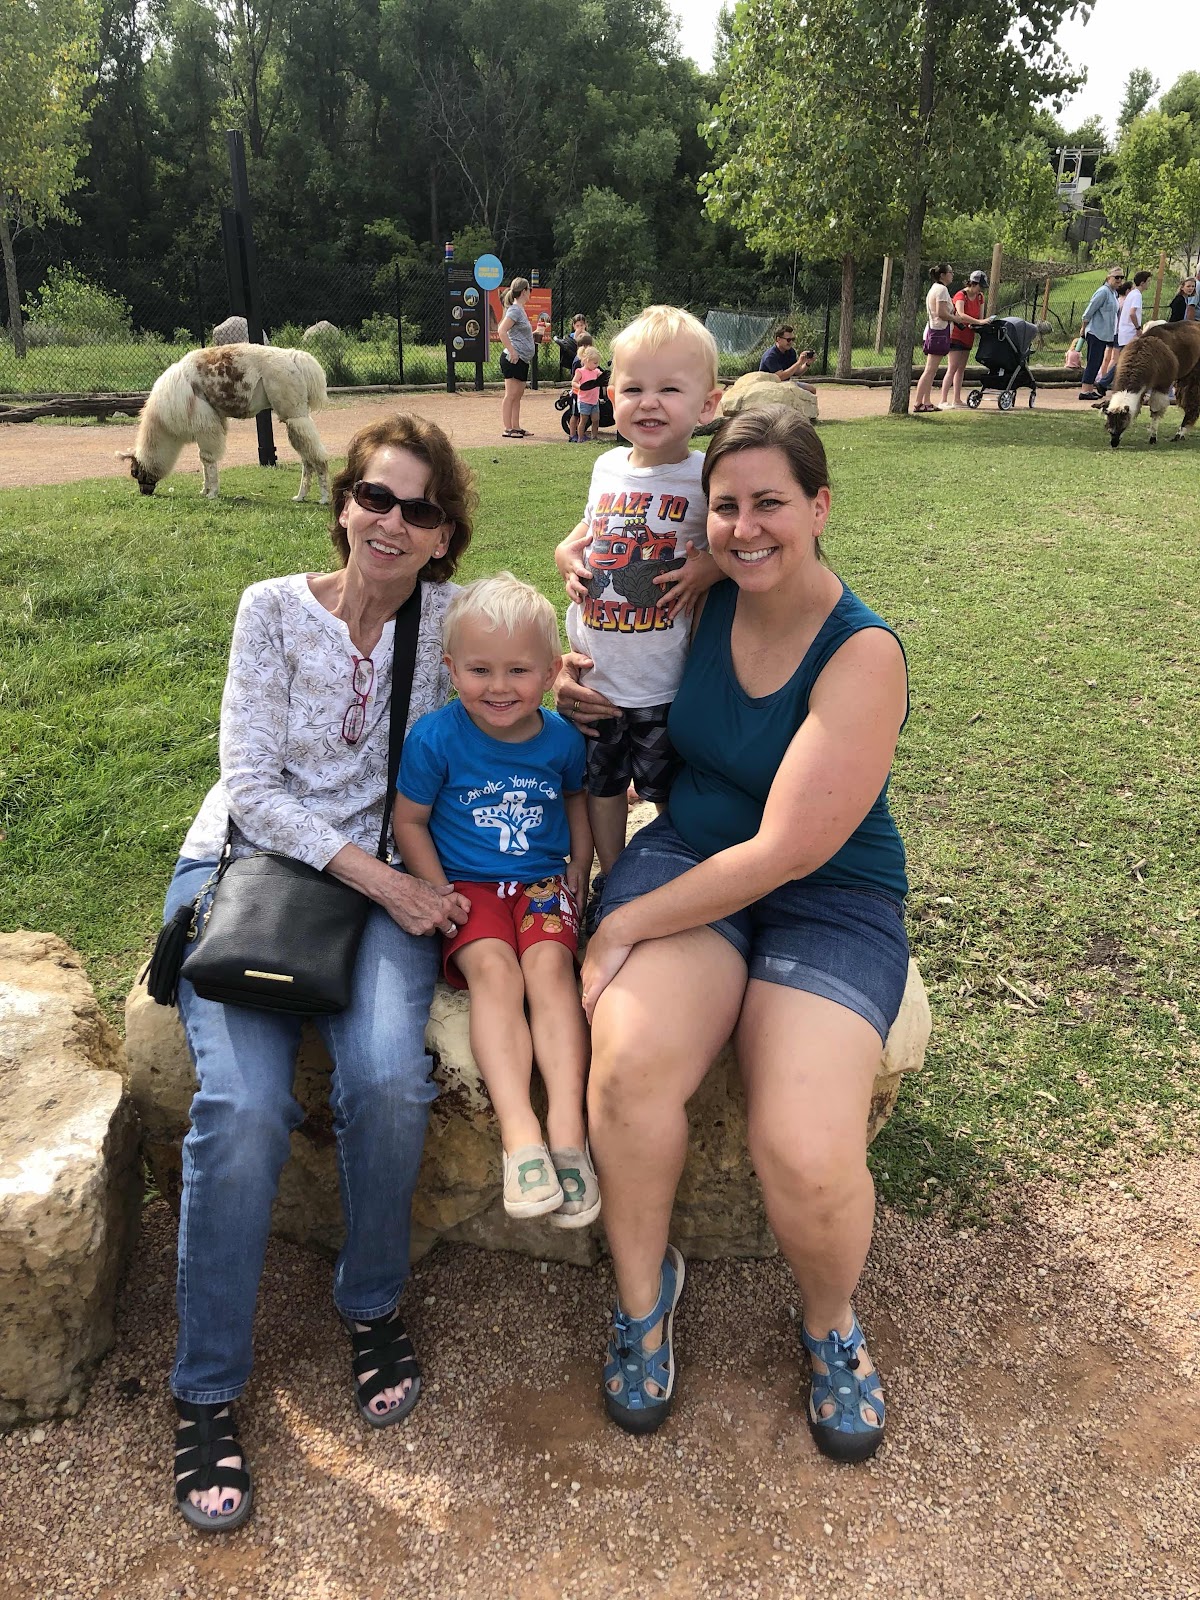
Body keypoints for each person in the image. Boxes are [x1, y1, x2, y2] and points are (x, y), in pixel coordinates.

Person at [559, 405, 910, 1464]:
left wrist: (620, 923)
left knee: (801, 1145)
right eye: (726, 507)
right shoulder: (703, 594)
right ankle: (642, 1295)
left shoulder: (862, 652)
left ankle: (830, 1322)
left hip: (826, 890)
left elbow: (787, 852)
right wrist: (579, 681)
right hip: (694, 847)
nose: (746, 527)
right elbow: (602, 617)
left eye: (771, 504)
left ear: (821, 506)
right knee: (629, 1067)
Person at [161, 413, 476, 1532]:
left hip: (383, 879)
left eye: (419, 509)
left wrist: (571, 684)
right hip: (256, 869)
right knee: (243, 1106)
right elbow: (251, 785)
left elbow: (526, 667)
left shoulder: (450, 623)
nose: (391, 522)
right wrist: (384, 882)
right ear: (344, 503)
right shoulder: (271, 608)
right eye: (374, 496)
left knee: (387, 1079)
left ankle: (371, 1299)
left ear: (444, 537)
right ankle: (206, 1385)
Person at [392, 574, 600, 1228]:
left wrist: (580, 861)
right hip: (469, 888)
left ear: (550, 670)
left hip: (541, 885)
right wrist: (437, 889)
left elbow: (574, 796)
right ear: (451, 667)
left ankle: (567, 1132)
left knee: (550, 972)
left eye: (518, 670)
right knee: (495, 974)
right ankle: (521, 1137)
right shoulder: (435, 738)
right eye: (480, 670)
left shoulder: (561, 740)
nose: (499, 687)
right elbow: (409, 821)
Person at [554, 305, 723, 928]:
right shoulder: (605, 466)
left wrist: (708, 570)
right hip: (598, 676)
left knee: (667, 787)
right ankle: (614, 873)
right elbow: (586, 533)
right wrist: (563, 553)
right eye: (633, 389)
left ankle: (673, 877)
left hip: (663, 680)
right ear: (610, 394)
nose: (648, 403)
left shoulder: (704, 474)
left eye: (670, 389)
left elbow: (733, 547)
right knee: (601, 786)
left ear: (707, 404)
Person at [913, 264, 986, 412]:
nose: (952, 275)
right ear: (942, 275)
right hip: (937, 332)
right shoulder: (941, 290)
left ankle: (926, 402)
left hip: (938, 331)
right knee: (929, 370)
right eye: (950, 272)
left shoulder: (937, 288)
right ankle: (918, 403)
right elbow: (941, 313)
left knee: (931, 371)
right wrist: (956, 318)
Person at [940, 269, 988, 409]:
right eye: (979, 286)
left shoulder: (980, 297)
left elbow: (980, 316)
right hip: (957, 334)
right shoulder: (961, 295)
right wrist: (979, 322)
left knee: (961, 369)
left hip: (969, 335)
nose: (980, 289)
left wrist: (980, 323)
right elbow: (960, 314)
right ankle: (943, 399)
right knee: (953, 367)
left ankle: (957, 399)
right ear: (973, 283)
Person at [1077, 266, 1124, 400]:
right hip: (1095, 332)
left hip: (1104, 334)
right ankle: (1085, 391)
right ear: (1108, 278)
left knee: (1097, 362)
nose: (1119, 280)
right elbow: (1089, 311)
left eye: (1121, 277)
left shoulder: (1113, 293)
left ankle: (1089, 389)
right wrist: (1083, 328)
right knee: (1093, 361)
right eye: (1116, 277)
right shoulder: (1103, 292)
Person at [498, 277, 536, 438]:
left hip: (522, 360)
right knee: (511, 395)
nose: (530, 292)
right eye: (529, 289)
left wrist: (535, 334)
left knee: (518, 395)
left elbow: (519, 334)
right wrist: (512, 351)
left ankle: (516, 427)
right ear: (524, 291)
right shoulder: (514, 310)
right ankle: (508, 429)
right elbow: (501, 330)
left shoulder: (520, 310)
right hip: (513, 359)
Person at [759, 325, 816, 392]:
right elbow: (781, 377)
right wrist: (798, 363)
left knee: (811, 389)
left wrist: (807, 364)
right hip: (769, 386)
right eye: (788, 340)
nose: (791, 342)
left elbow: (797, 372)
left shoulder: (791, 351)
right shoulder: (770, 356)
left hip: (785, 384)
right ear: (778, 339)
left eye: (793, 339)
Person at [571, 340, 604, 443]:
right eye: (595, 363)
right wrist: (580, 386)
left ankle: (594, 437)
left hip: (594, 400)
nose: (596, 365)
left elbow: (603, 376)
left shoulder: (596, 371)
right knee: (583, 420)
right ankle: (580, 438)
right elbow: (573, 382)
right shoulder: (580, 371)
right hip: (584, 400)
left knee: (596, 419)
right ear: (586, 361)